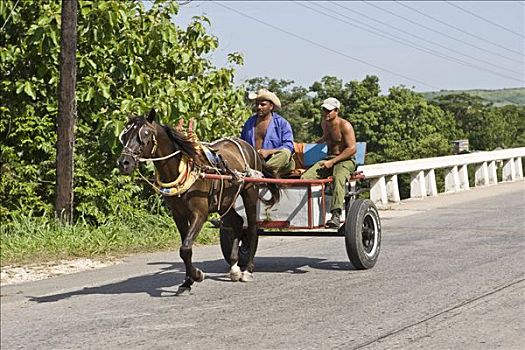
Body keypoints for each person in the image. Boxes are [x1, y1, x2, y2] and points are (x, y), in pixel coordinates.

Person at [301, 97, 357, 228]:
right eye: (324, 110)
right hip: (329, 159)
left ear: (336, 111)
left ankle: (336, 215)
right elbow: (329, 136)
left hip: (345, 160)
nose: (326, 113)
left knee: (338, 179)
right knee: (305, 178)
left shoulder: (345, 126)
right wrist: (319, 141)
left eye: (329, 111)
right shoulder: (324, 123)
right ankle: (307, 213)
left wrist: (333, 161)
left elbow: (352, 149)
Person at [240, 89, 295, 176]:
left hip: (277, 164)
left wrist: (268, 152)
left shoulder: (282, 123)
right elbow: (242, 143)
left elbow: (289, 146)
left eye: (263, 104)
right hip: (253, 163)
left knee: (285, 153)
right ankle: (258, 171)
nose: (259, 107)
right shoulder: (249, 123)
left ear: (271, 106)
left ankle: (262, 173)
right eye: (257, 104)